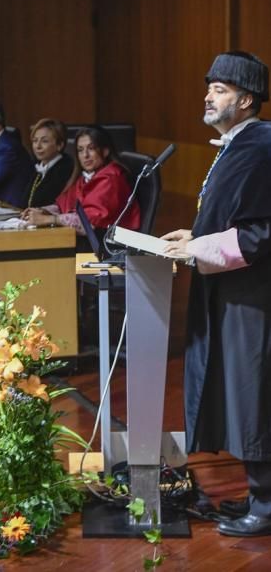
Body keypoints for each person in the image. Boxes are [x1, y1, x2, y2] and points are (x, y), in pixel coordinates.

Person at [162, 51, 271, 537]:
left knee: (253, 395)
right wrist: (194, 235)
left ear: (247, 100)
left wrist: (202, 245)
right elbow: (231, 218)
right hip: (231, 290)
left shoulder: (262, 148)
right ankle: (255, 495)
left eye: (221, 89)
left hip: (254, 298)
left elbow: (262, 232)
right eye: (208, 87)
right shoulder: (237, 145)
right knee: (239, 390)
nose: (208, 95)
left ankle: (266, 506)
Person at [22, 126, 140, 235]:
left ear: (105, 151)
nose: (85, 155)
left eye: (91, 148)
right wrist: (42, 211)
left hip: (105, 246)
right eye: (80, 150)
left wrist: (50, 219)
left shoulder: (111, 178)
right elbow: (63, 206)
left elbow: (89, 223)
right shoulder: (86, 177)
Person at [25, 118, 74, 207]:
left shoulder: (65, 170)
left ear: (59, 145)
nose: (38, 146)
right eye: (35, 141)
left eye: (44, 141)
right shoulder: (36, 166)